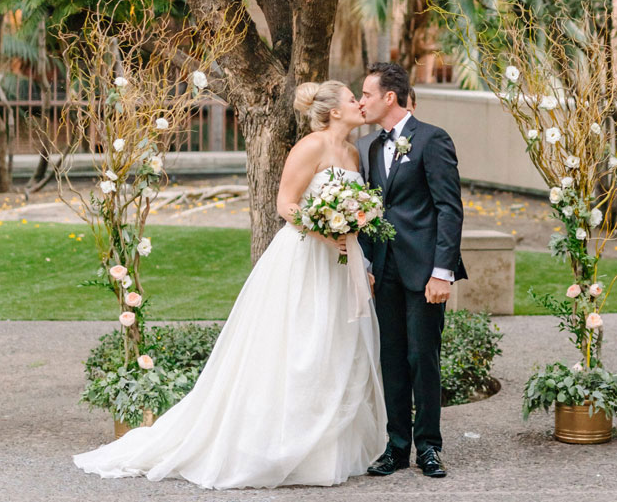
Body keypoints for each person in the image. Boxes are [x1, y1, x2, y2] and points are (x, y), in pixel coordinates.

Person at [74, 81, 387, 490]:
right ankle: (277, 447)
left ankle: (325, 451)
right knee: (297, 348)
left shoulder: (351, 153)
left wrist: (355, 248)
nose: (360, 104)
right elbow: (285, 204)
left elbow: (354, 212)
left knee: (334, 346)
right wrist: (327, 230)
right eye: (352, 99)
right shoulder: (310, 146)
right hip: (305, 257)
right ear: (333, 111)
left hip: (340, 262)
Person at [356, 62, 467, 478]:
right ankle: (397, 447)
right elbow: (370, 212)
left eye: (366, 94)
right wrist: (366, 263)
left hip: (424, 272)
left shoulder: (432, 139)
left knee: (424, 358)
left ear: (390, 97)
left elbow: (448, 210)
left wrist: (443, 271)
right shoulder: (369, 147)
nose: (361, 101)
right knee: (393, 360)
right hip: (383, 270)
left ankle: (430, 447)